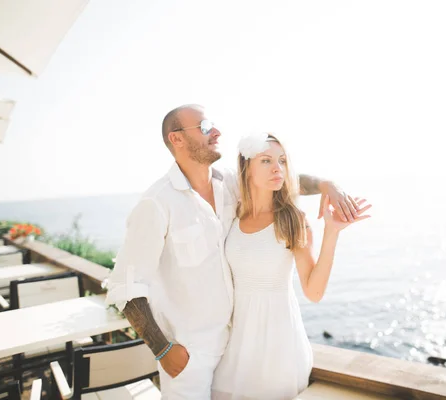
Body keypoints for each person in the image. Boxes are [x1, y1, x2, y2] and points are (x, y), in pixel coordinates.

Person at [105, 104, 363, 399]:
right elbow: (126, 287)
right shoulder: (156, 203)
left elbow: (278, 178)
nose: (216, 132)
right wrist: (162, 348)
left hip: (234, 343)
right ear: (176, 139)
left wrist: (327, 185)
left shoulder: (227, 184)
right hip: (191, 352)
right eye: (204, 128)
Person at [211, 133, 371, 399]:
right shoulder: (234, 214)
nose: (277, 168)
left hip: (278, 341)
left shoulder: (291, 218)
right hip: (236, 342)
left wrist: (332, 232)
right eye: (266, 161)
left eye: (282, 161)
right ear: (246, 168)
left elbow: (313, 292)